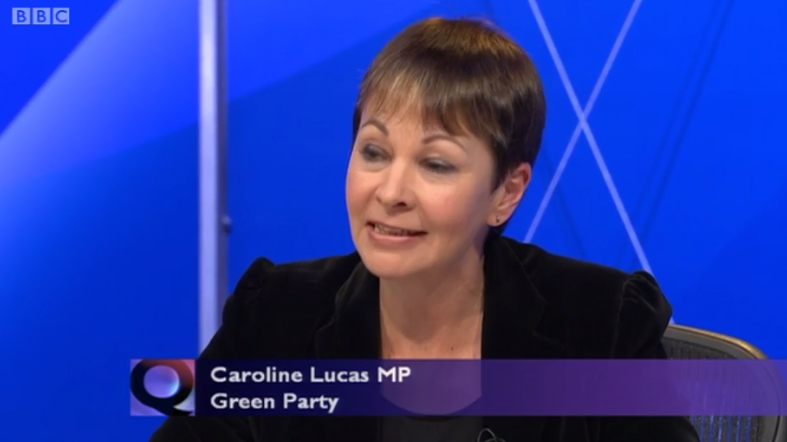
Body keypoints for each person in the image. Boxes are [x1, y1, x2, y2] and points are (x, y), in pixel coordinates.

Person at [151, 17, 699, 442]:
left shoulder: (603, 324)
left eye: (435, 164)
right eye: (374, 152)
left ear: (507, 192)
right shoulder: (272, 313)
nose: (391, 192)